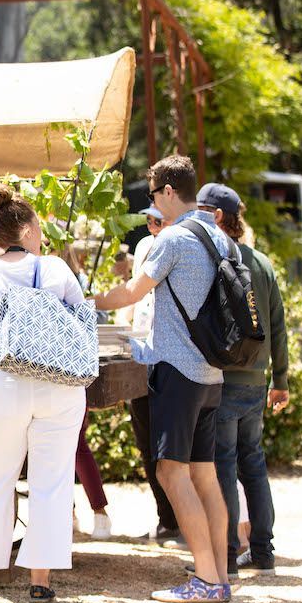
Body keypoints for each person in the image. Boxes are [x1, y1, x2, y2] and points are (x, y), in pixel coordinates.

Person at [93, 155, 232, 603]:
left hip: (178, 369)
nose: (153, 203)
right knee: (205, 477)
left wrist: (83, 296)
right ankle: (220, 575)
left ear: (169, 191)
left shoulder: (172, 238)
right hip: (212, 373)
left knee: (171, 473)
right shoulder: (218, 235)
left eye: (153, 194)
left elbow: (131, 293)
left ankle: (207, 581)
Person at [0, 184, 87, 602]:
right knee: (52, 481)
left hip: (6, 383)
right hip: (60, 385)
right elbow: (83, 321)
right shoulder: (56, 271)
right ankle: (40, 580)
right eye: (39, 227)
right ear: (26, 230)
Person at [197, 183, 290, 576]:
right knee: (253, 463)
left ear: (217, 218)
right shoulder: (263, 264)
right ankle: (263, 552)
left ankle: (228, 552)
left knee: (224, 466)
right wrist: (280, 380)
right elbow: (280, 327)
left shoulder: (215, 260)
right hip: (256, 381)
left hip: (224, 378)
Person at [119, 206, 181, 543]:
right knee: (146, 443)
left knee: (171, 446)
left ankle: (179, 521)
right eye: (149, 220)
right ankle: (166, 519)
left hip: (171, 356)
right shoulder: (144, 246)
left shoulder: (180, 245)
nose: (153, 226)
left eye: (160, 219)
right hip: (140, 351)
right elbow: (134, 297)